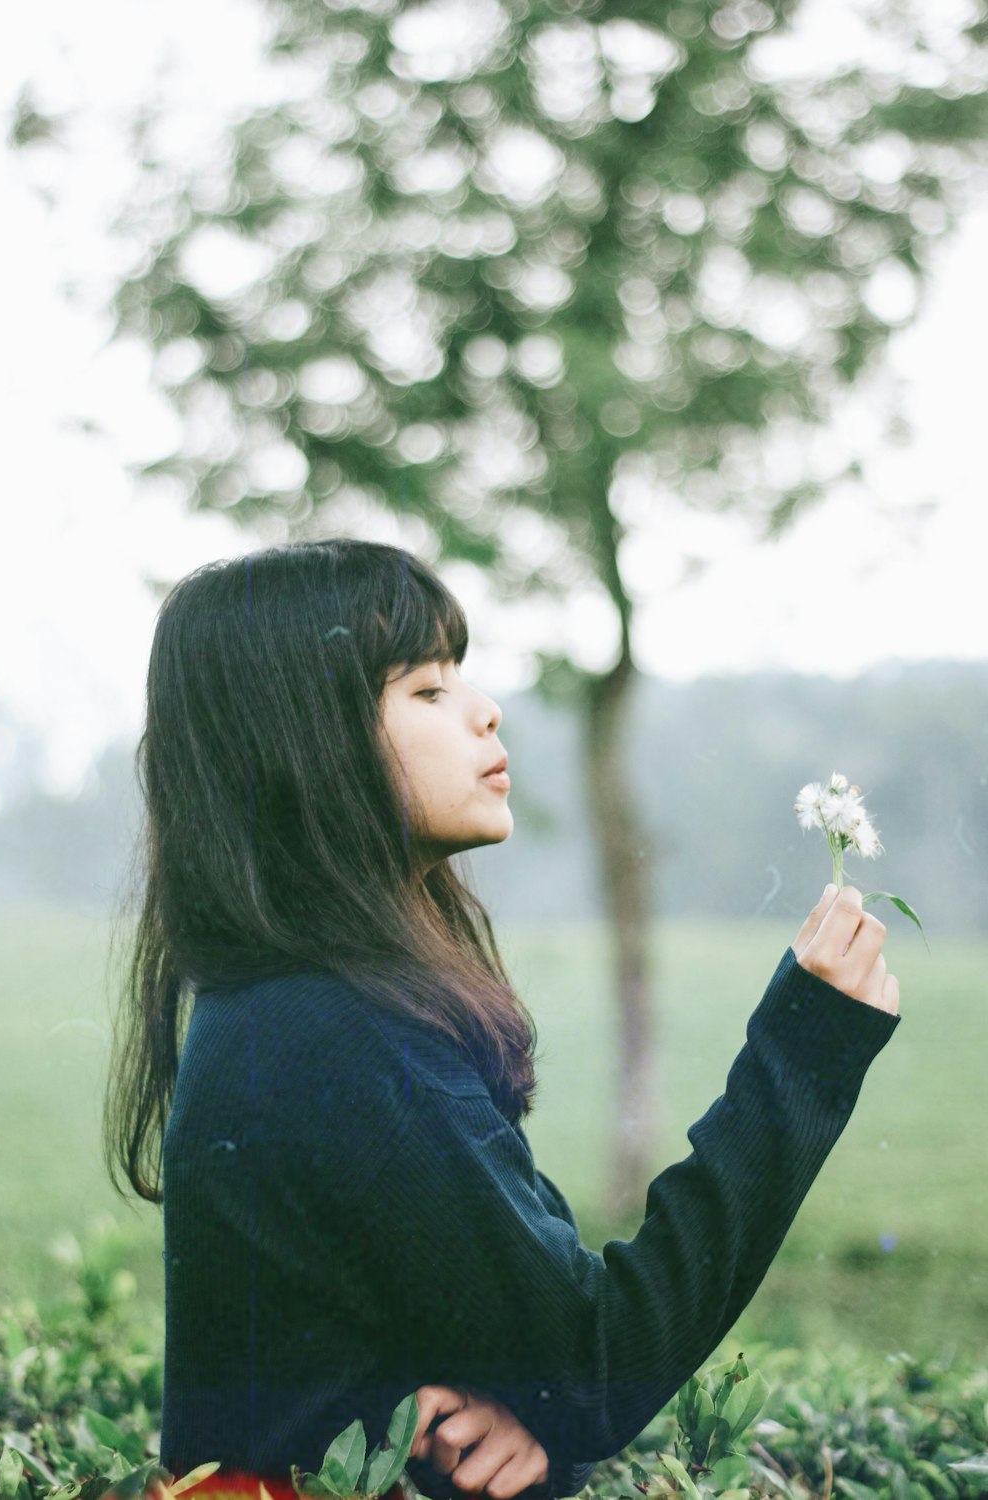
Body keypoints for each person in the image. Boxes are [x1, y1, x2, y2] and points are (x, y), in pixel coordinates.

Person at [101, 537, 901, 1500]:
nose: (485, 711)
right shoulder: (335, 1037)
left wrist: (508, 1415)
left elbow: (490, 1340)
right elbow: (597, 1361)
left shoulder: (283, 1011)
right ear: (307, 744)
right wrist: (804, 1055)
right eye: (426, 690)